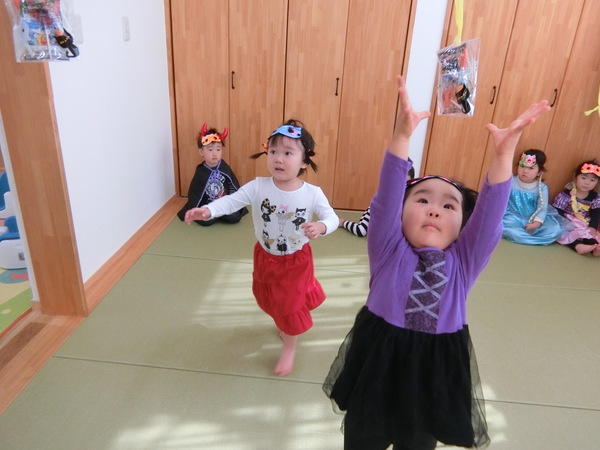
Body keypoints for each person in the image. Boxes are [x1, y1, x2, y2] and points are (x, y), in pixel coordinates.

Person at [322, 75, 550, 450]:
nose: (434, 210)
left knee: (418, 443)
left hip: (433, 375)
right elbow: (386, 198)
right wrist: (401, 137)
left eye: (448, 205)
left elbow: (490, 218)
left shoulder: (464, 260)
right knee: (363, 440)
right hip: (378, 364)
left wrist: (502, 156)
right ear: (401, 213)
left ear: (463, 225)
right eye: (422, 199)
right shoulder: (388, 247)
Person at [185, 119, 339, 376]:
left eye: (288, 153)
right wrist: (208, 210)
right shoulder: (258, 186)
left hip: (296, 260)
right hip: (265, 257)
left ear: (304, 161)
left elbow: (331, 217)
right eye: (273, 151)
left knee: (289, 305)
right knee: (267, 296)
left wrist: (321, 226)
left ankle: (289, 346)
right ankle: (287, 316)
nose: (278, 158)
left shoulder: (312, 193)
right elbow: (231, 201)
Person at [177, 123, 247, 225]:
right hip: (207, 206)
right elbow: (195, 193)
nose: (215, 153)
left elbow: (233, 185)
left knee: (235, 217)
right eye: (210, 149)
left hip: (224, 204)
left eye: (218, 149)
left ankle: (220, 214)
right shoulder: (201, 171)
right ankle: (214, 215)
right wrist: (196, 209)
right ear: (201, 152)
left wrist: (233, 202)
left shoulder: (224, 167)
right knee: (204, 221)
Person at [501, 149, 563, 245]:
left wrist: (536, 223)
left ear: (539, 172)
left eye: (531, 168)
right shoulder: (511, 181)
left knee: (554, 230)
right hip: (512, 217)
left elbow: (542, 207)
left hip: (532, 218)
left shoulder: (542, 187)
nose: (525, 171)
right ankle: (526, 237)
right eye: (522, 166)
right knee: (509, 230)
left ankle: (526, 237)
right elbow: (501, 199)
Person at [339, 165, 415, 237]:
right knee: (361, 231)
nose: (401, 187)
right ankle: (343, 222)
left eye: (405, 183)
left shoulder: (409, 195)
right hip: (377, 213)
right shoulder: (385, 194)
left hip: (392, 223)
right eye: (398, 183)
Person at [552, 160, 600, 256]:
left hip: (584, 222)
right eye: (583, 178)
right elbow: (557, 211)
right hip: (567, 221)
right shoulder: (567, 194)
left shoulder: (595, 197)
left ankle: (594, 247)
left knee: (589, 233)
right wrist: (565, 223)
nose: (587, 183)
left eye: (592, 180)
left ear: (597, 182)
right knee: (563, 233)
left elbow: (596, 213)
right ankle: (577, 246)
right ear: (575, 177)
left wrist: (592, 226)